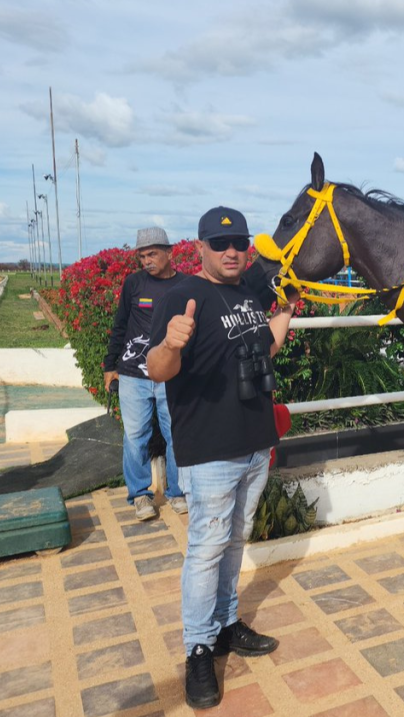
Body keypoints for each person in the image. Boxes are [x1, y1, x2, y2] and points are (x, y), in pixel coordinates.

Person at [147, 207, 296, 710]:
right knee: (207, 549)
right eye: (219, 244)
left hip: (254, 443)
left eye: (238, 244)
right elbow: (158, 369)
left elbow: (260, 352)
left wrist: (281, 318)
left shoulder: (247, 293)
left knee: (235, 540)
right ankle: (198, 648)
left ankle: (228, 623)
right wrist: (170, 343)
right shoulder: (180, 295)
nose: (231, 252)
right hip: (210, 449)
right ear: (199, 248)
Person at [103, 227, 187, 521]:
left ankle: (177, 493)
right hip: (133, 376)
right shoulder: (134, 284)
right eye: (142, 256)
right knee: (135, 436)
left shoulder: (186, 286)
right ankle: (140, 495)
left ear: (169, 252)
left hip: (172, 376)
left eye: (152, 254)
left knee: (177, 434)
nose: (146, 261)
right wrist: (110, 366)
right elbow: (121, 323)